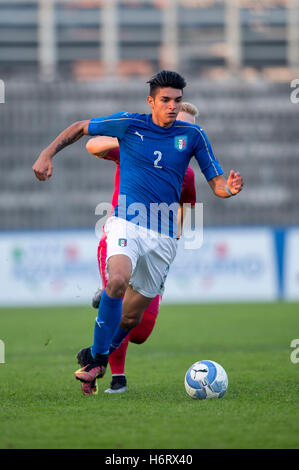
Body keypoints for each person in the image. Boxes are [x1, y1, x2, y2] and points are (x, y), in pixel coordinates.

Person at [32, 70, 243, 395]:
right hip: (126, 222)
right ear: (151, 101)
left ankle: (96, 358)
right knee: (117, 281)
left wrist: (228, 188)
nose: (172, 106)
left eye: (177, 101)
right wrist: (46, 154)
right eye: (166, 100)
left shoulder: (194, 136)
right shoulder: (130, 125)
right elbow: (81, 129)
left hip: (162, 238)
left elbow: (216, 185)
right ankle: (107, 364)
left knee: (132, 322)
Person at [84, 103, 198, 395]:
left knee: (140, 330)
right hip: (122, 235)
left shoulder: (186, 176)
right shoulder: (136, 148)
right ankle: (112, 377)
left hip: (157, 243)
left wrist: (175, 238)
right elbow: (92, 145)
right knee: (119, 293)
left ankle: (106, 313)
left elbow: (186, 208)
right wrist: (126, 138)